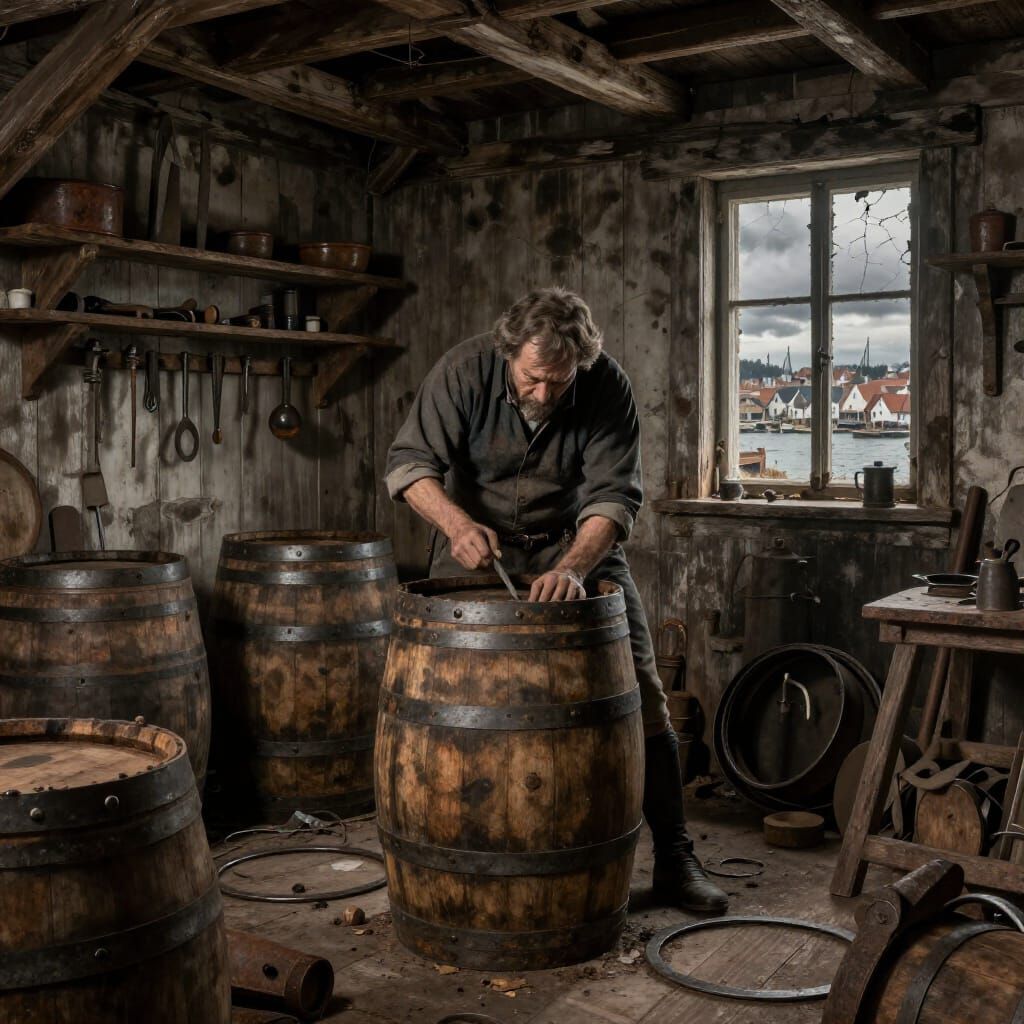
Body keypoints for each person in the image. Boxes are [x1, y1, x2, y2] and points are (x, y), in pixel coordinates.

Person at [384, 286, 728, 913]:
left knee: (643, 696)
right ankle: (454, 863)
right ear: (508, 352)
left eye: (559, 382)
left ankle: (676, 858)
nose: (544, 396)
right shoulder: (461, 372)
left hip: (576, 550)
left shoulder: (605, 386)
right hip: (473, 547)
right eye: (533, 379)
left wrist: (573, 568)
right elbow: (409, 466)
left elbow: (615, 498)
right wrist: (456, 525)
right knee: (458, 708)